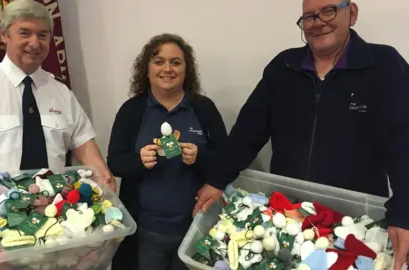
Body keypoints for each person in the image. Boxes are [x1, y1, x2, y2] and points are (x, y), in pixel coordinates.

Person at [194, 0, 409, 268]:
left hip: (354, 222)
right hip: (288, 214)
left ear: (351, 13)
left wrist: (404, 211)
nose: (318, 22)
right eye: (308, 17)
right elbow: (247, 131)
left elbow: (403, 144)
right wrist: (216, 178)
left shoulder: (384, 66)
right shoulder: (283, 67)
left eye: (328, 10)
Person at [0, 0, 116, 221]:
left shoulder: (62, 92)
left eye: (43, 35)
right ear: (4, 35)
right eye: (24, 33)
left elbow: (83, 143)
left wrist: (102, 174)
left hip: (52, 219)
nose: (35, 43)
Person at [107, 33, 227, 270]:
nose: (167, 69)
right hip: (145, 232)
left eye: (176, 62)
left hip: (195, 230)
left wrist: (200, 157)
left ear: (186, 69)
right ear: (147, 68)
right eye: (159, 61)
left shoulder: (204, 108)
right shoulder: (132, 110)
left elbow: (226, 160)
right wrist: (138, 160)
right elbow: (115, 162)